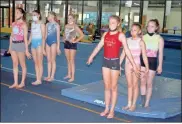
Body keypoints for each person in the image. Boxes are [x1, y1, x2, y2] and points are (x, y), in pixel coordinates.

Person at [87, 15, 140, 118]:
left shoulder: (121, 36)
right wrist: (91, 56)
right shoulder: (105, 34)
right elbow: (99, 46)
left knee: (113, 87)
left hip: (115, 62)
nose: (111, 25)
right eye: (110, 22)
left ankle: (112, 110)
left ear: (118, 24)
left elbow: (127, 51)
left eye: (113, 23)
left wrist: (134, 64)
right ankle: (106, 108)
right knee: (107, 87)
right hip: (105, 62)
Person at [120, 23, 149, 111]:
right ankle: (129, 103)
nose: (132, 32)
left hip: (136, 64)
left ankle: (133, 104)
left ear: (139, 31)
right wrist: (119, 63)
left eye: (135, 30)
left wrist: (147, 67)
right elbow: (124, 53)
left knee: (135, 85)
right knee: (129, 85)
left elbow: (144, 55)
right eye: (131, 30)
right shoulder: (127, 40)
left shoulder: (141, 42)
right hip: (128, 64)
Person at [140, 19, 164, 108]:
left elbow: (160, 53)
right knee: (142, 81)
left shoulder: (159, 39)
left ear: (156, 28)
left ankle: (147, 102)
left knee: (149, 83)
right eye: (148, 26)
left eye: (152, 26)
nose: (149, 28)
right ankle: (142, 100)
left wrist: (160, 65)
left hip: (152, 61)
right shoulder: (143, 37)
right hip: (143, 60)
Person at [8, 7, 31, 89]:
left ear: (21, 14)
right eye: (15, 12)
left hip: (20, 45)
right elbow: (11, 36)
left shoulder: (24, 25)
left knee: (22, 64)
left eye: (17, 13)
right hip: (13, 45)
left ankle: (22, 82)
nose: (16, 14)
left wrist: (27, 50)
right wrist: (10, 47)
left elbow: (25, 38)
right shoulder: (13, 23)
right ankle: (15, 82)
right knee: (15, 64)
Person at [63, 14, 84, 82]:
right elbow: (64, 34)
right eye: (68, 18)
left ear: (73, 19)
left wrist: (75, 41)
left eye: (70, 18)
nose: (69, 20)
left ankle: (72, 77)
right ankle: (69, 74)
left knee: (72, 61)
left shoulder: (75, 26)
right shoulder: (66, 26)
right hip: (66, 44)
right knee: (68, 60)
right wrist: (64, 38)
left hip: (72, 44)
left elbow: (82, 35)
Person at [28, 10, 46, 85]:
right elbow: (31, 35)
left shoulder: (42, 24)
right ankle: (37, 78)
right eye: (32, 15)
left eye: (35, 15)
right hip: (33, 43)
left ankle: (39, 79)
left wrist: (43, 48)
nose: (33, 16)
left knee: (39, 62)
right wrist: (27, 44)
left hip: (39, 43)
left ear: (38, 15)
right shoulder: (32, 24)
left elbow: (44, 37)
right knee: (35, 62)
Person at [44, 11, 61, 82]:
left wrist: (58, 47)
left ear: (52, 16)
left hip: (54, 43)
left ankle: (52, 76)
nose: (47, 17)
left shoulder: (57, 25)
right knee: (48, 60)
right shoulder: (47, 24)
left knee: (53, 60)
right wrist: (43, 45)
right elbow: (45, 35)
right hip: (47, 42)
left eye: (49, 16)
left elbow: (58, 37)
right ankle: (48, 75)